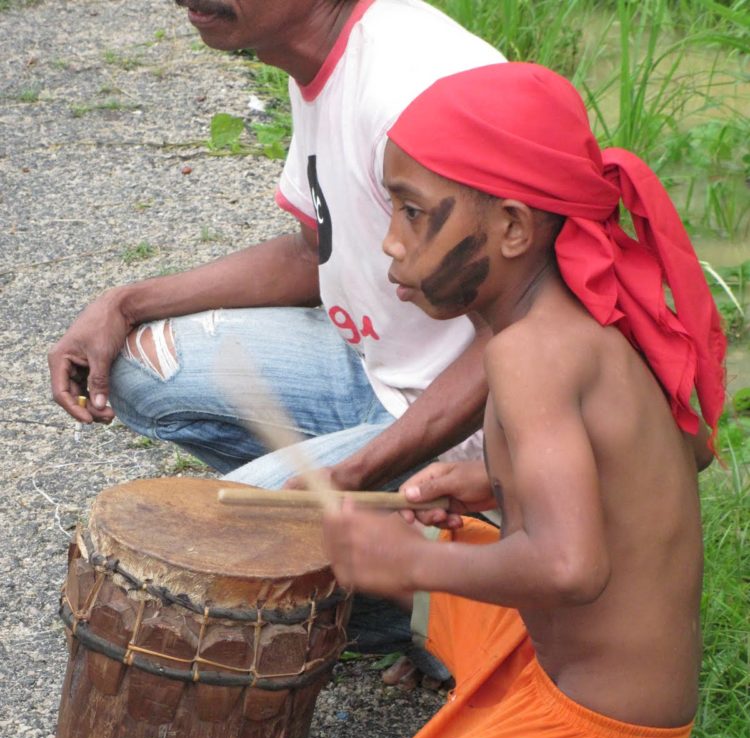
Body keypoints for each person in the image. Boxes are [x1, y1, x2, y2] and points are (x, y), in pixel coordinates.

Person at [289, 61, 725, 738]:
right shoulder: (580, 320)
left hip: (605, 720)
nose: (390, 245)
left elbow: (570, 567)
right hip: (594, 669)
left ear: (514, 227)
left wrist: (406, 563)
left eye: (413, 212)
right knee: (430, 547)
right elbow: (654, 462)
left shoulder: (528, 358)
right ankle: (473, 669)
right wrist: (494, 483)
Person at [47, 0, 504, 684]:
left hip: (474, 428)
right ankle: (380, 589)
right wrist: (122, 303)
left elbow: (526, 330)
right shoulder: (315, 58)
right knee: (142, 365)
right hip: (377, 376)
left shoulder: (415, 85)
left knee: (211, 560)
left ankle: (439, 590)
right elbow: (316, 253)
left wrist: (348, 474)